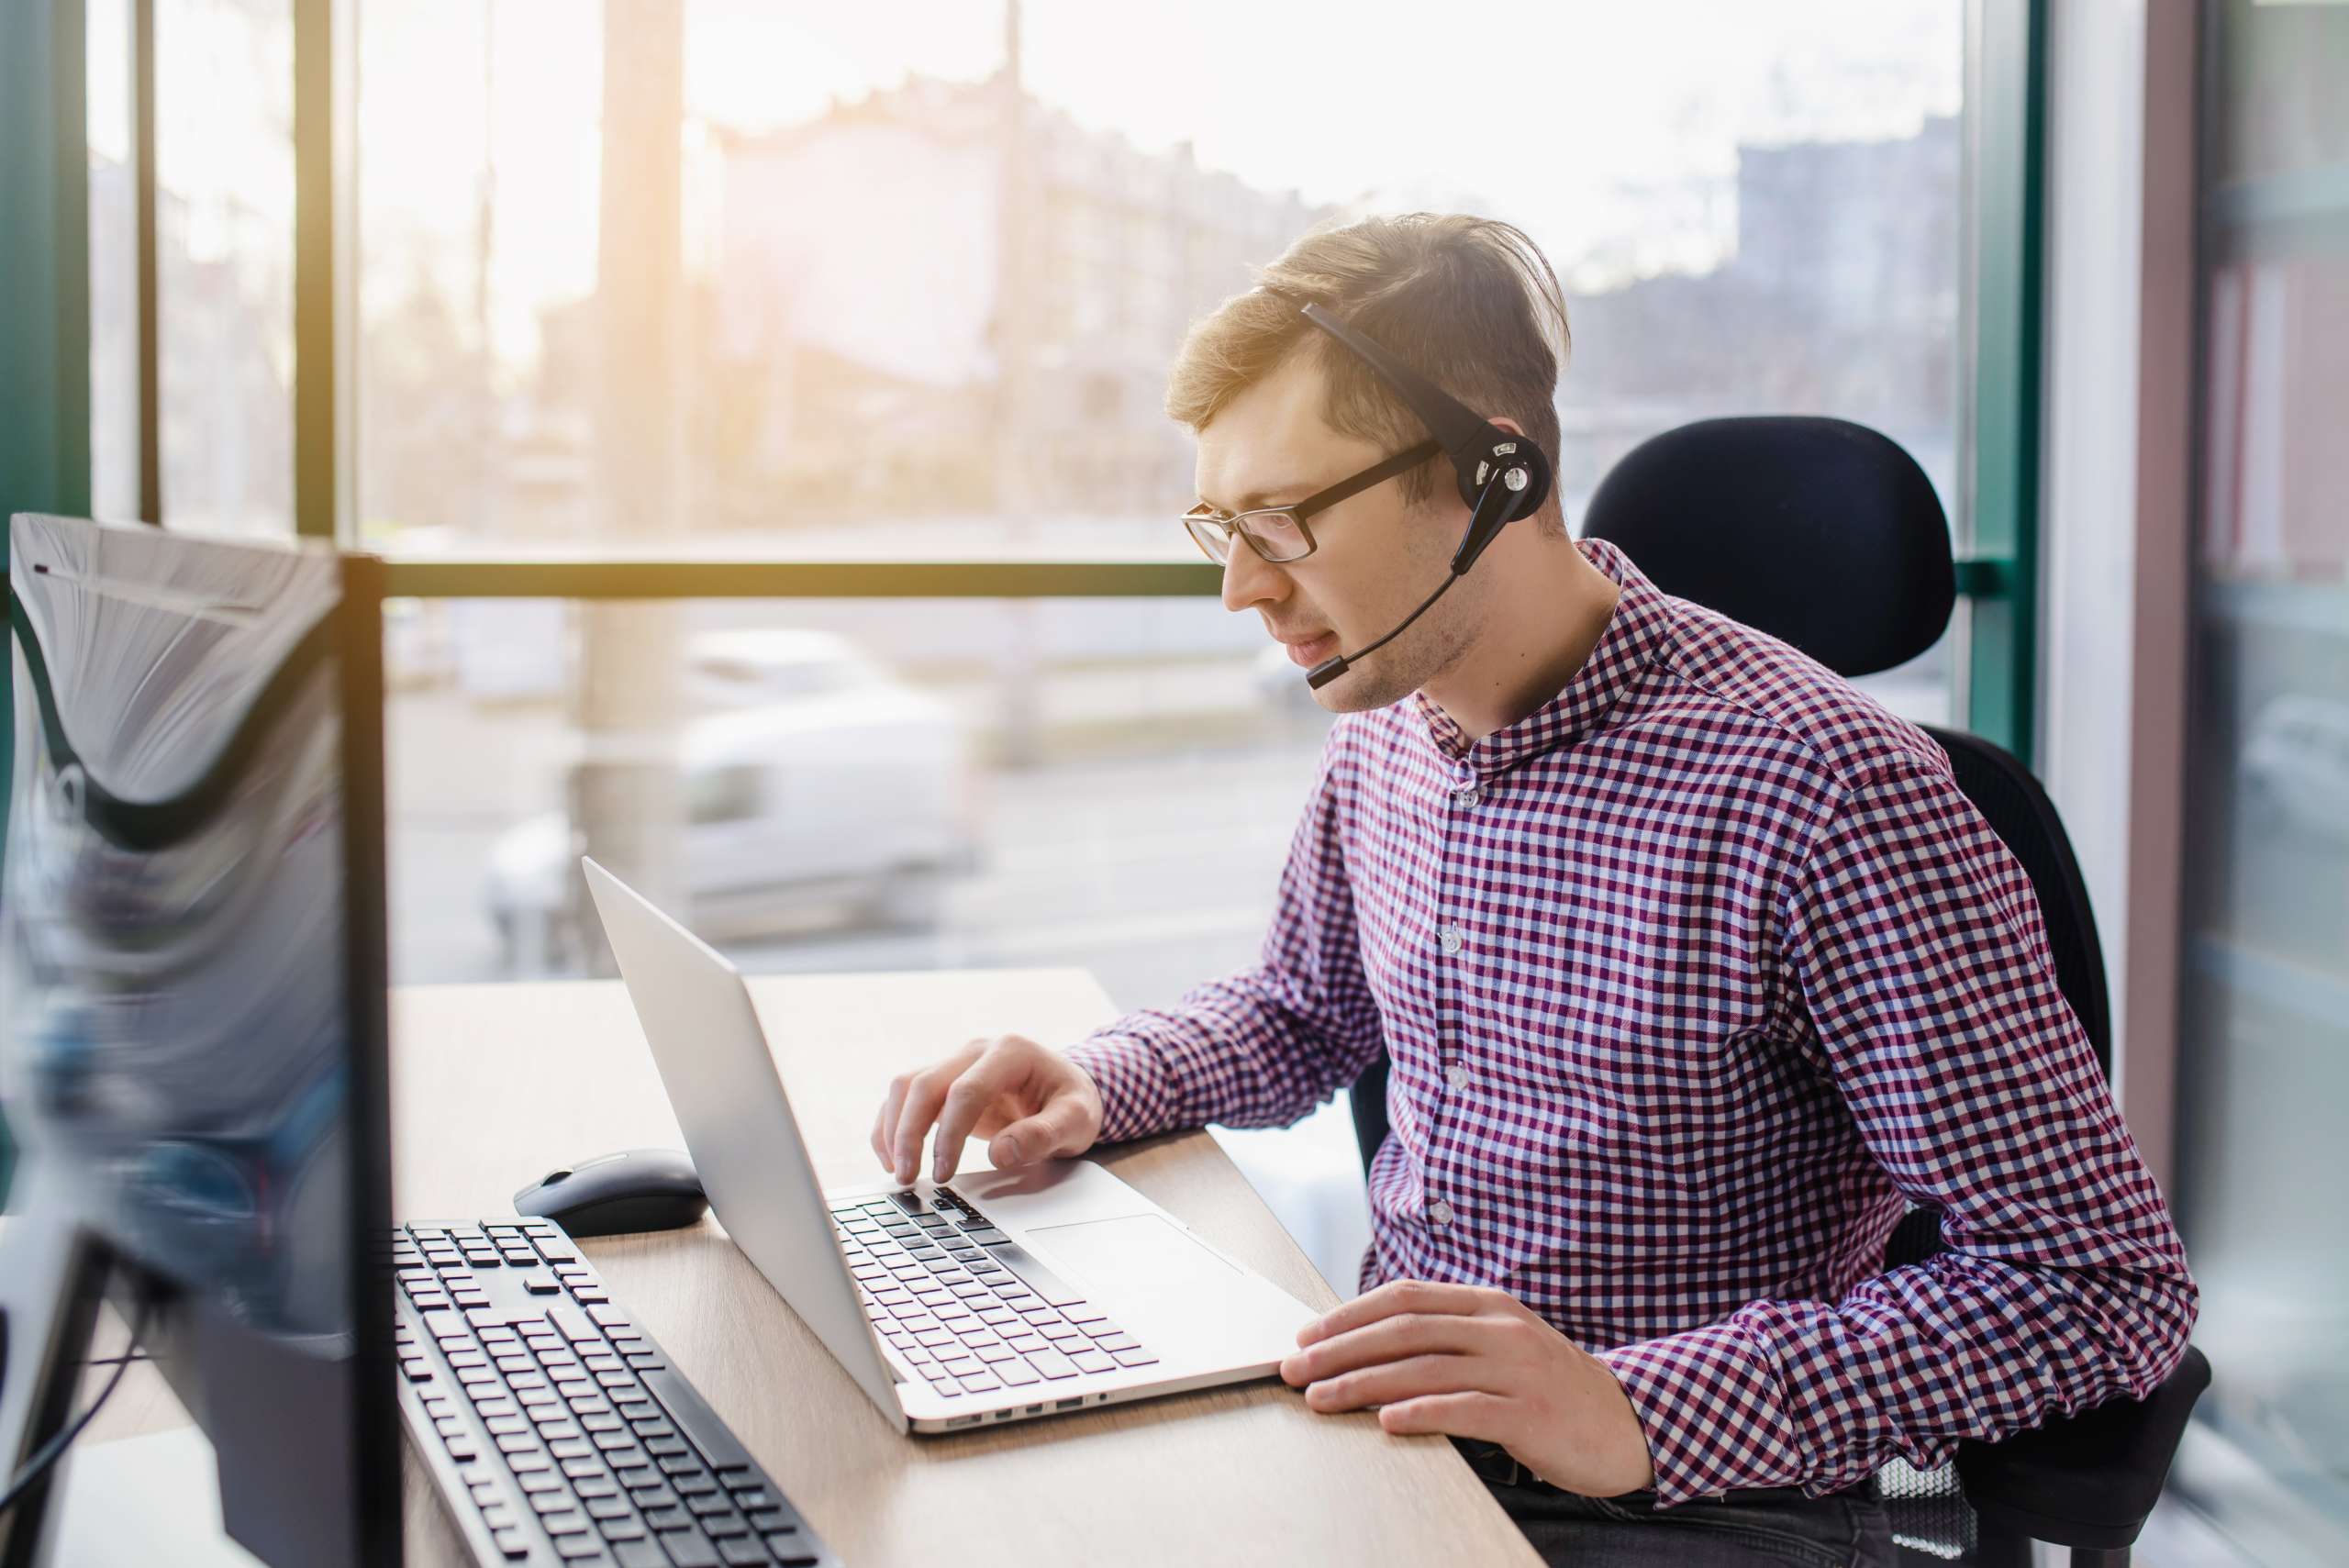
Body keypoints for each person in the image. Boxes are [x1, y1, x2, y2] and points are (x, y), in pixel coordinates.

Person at [868, 214, 2197, 1567]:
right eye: (1223, 524)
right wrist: (1102, 1075)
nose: (1241, 588)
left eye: (1285, 521)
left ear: (1491, 472)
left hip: (1707, 1500)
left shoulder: (1833, 796)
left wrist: (1636, 1404)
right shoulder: (1387, 712)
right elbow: (1302, 1006)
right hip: (1404, 1434)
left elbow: (2101, 1285)